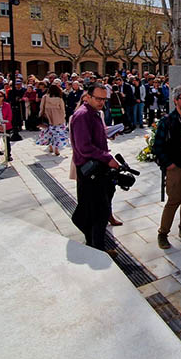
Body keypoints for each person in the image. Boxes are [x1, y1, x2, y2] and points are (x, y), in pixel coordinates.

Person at [69, 84, 122, 252]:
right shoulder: (82, 115)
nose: (101, 102)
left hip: (98, 168)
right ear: (88, 97)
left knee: (97, 209)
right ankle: (98, 247)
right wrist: (108, 158)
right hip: (89, 169)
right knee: (99, 211)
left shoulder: (94, 113)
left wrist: (107, 134)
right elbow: (84, 147)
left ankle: (94, 244)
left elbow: (93, 138)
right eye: (98, 98)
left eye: (104, 99)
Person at [154, 86, 181, 250]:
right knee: (173, 201)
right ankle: (163, 233)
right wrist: (168, 164)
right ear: (175, 100)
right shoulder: (167, 121)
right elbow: (158, 146)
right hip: (175, 168)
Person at [38, 85, 68, 155]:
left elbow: (41, 108)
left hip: (47, 118)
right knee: (57, 134)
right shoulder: (59, 99)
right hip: (58, 118)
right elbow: (62, 110)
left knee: (49, 133)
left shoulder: (45, 97)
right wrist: (63, 117)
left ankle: (50, 146)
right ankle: (56, 149)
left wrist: (40, 115)